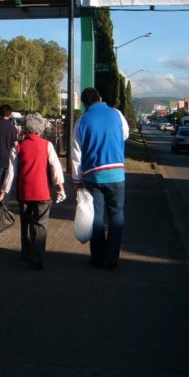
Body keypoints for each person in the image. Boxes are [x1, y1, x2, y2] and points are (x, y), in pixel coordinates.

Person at [0, 113, 65, 270]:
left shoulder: (18, 147)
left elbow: (11, 173)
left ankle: (26, 254)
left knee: (25, 223)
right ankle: (37, 257)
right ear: (40, 129)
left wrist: (3, 192)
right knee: (40, 225)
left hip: (24, 192)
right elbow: (56, 168)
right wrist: (60, 187)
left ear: (26, 128)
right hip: (43, 192)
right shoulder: (47, 145)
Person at [71, 88, 129, 269]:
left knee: (96, 215)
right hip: (117, 173)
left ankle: (97, 256)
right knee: (116, 214)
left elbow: (76, 154)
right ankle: (112, 256)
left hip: (93, 175)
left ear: (85, 104)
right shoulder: (117, 114)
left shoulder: (81, 121)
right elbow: (125, 134)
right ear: (101, 98)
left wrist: (76, 179)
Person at [0, 104, 18, 201]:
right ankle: (4, 205)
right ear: (10, 114)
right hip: (9, 160)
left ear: (0, 113)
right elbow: (15, 145)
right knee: (6, 186)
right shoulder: (13, 128)